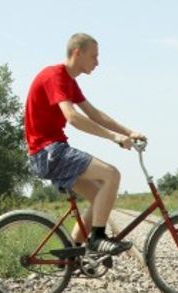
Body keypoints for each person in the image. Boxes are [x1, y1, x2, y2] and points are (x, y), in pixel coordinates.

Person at [24, 33, 145, 255]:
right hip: (48, 152)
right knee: (111, 175)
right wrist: (114, 137)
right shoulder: (55, 76)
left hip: (52, 150)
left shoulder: (69, 82)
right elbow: (72, 117)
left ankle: (71, 257)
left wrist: (128, 132)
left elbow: (94, 114)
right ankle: (97, 238)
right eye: (94, 56)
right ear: (77, 53)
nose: (97, 62)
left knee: (99, 195)